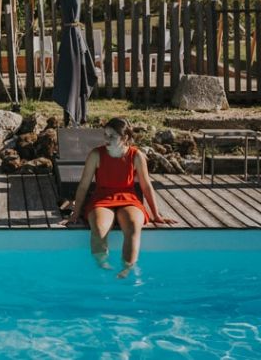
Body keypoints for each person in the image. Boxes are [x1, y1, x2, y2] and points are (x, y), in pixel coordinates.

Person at [59, 117, 177, 278]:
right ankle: (103, 265)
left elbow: (146, 186)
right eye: (105, 135)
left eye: (112, 136)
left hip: (128, 198)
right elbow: (84, 186)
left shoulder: (136, 155)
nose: (106, 139)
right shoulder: (96, 154)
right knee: (99, 228)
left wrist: (156, 215)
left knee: (133, 226)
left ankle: (127, 268)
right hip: (102, 198)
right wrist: (75, 213)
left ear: (125, 137)